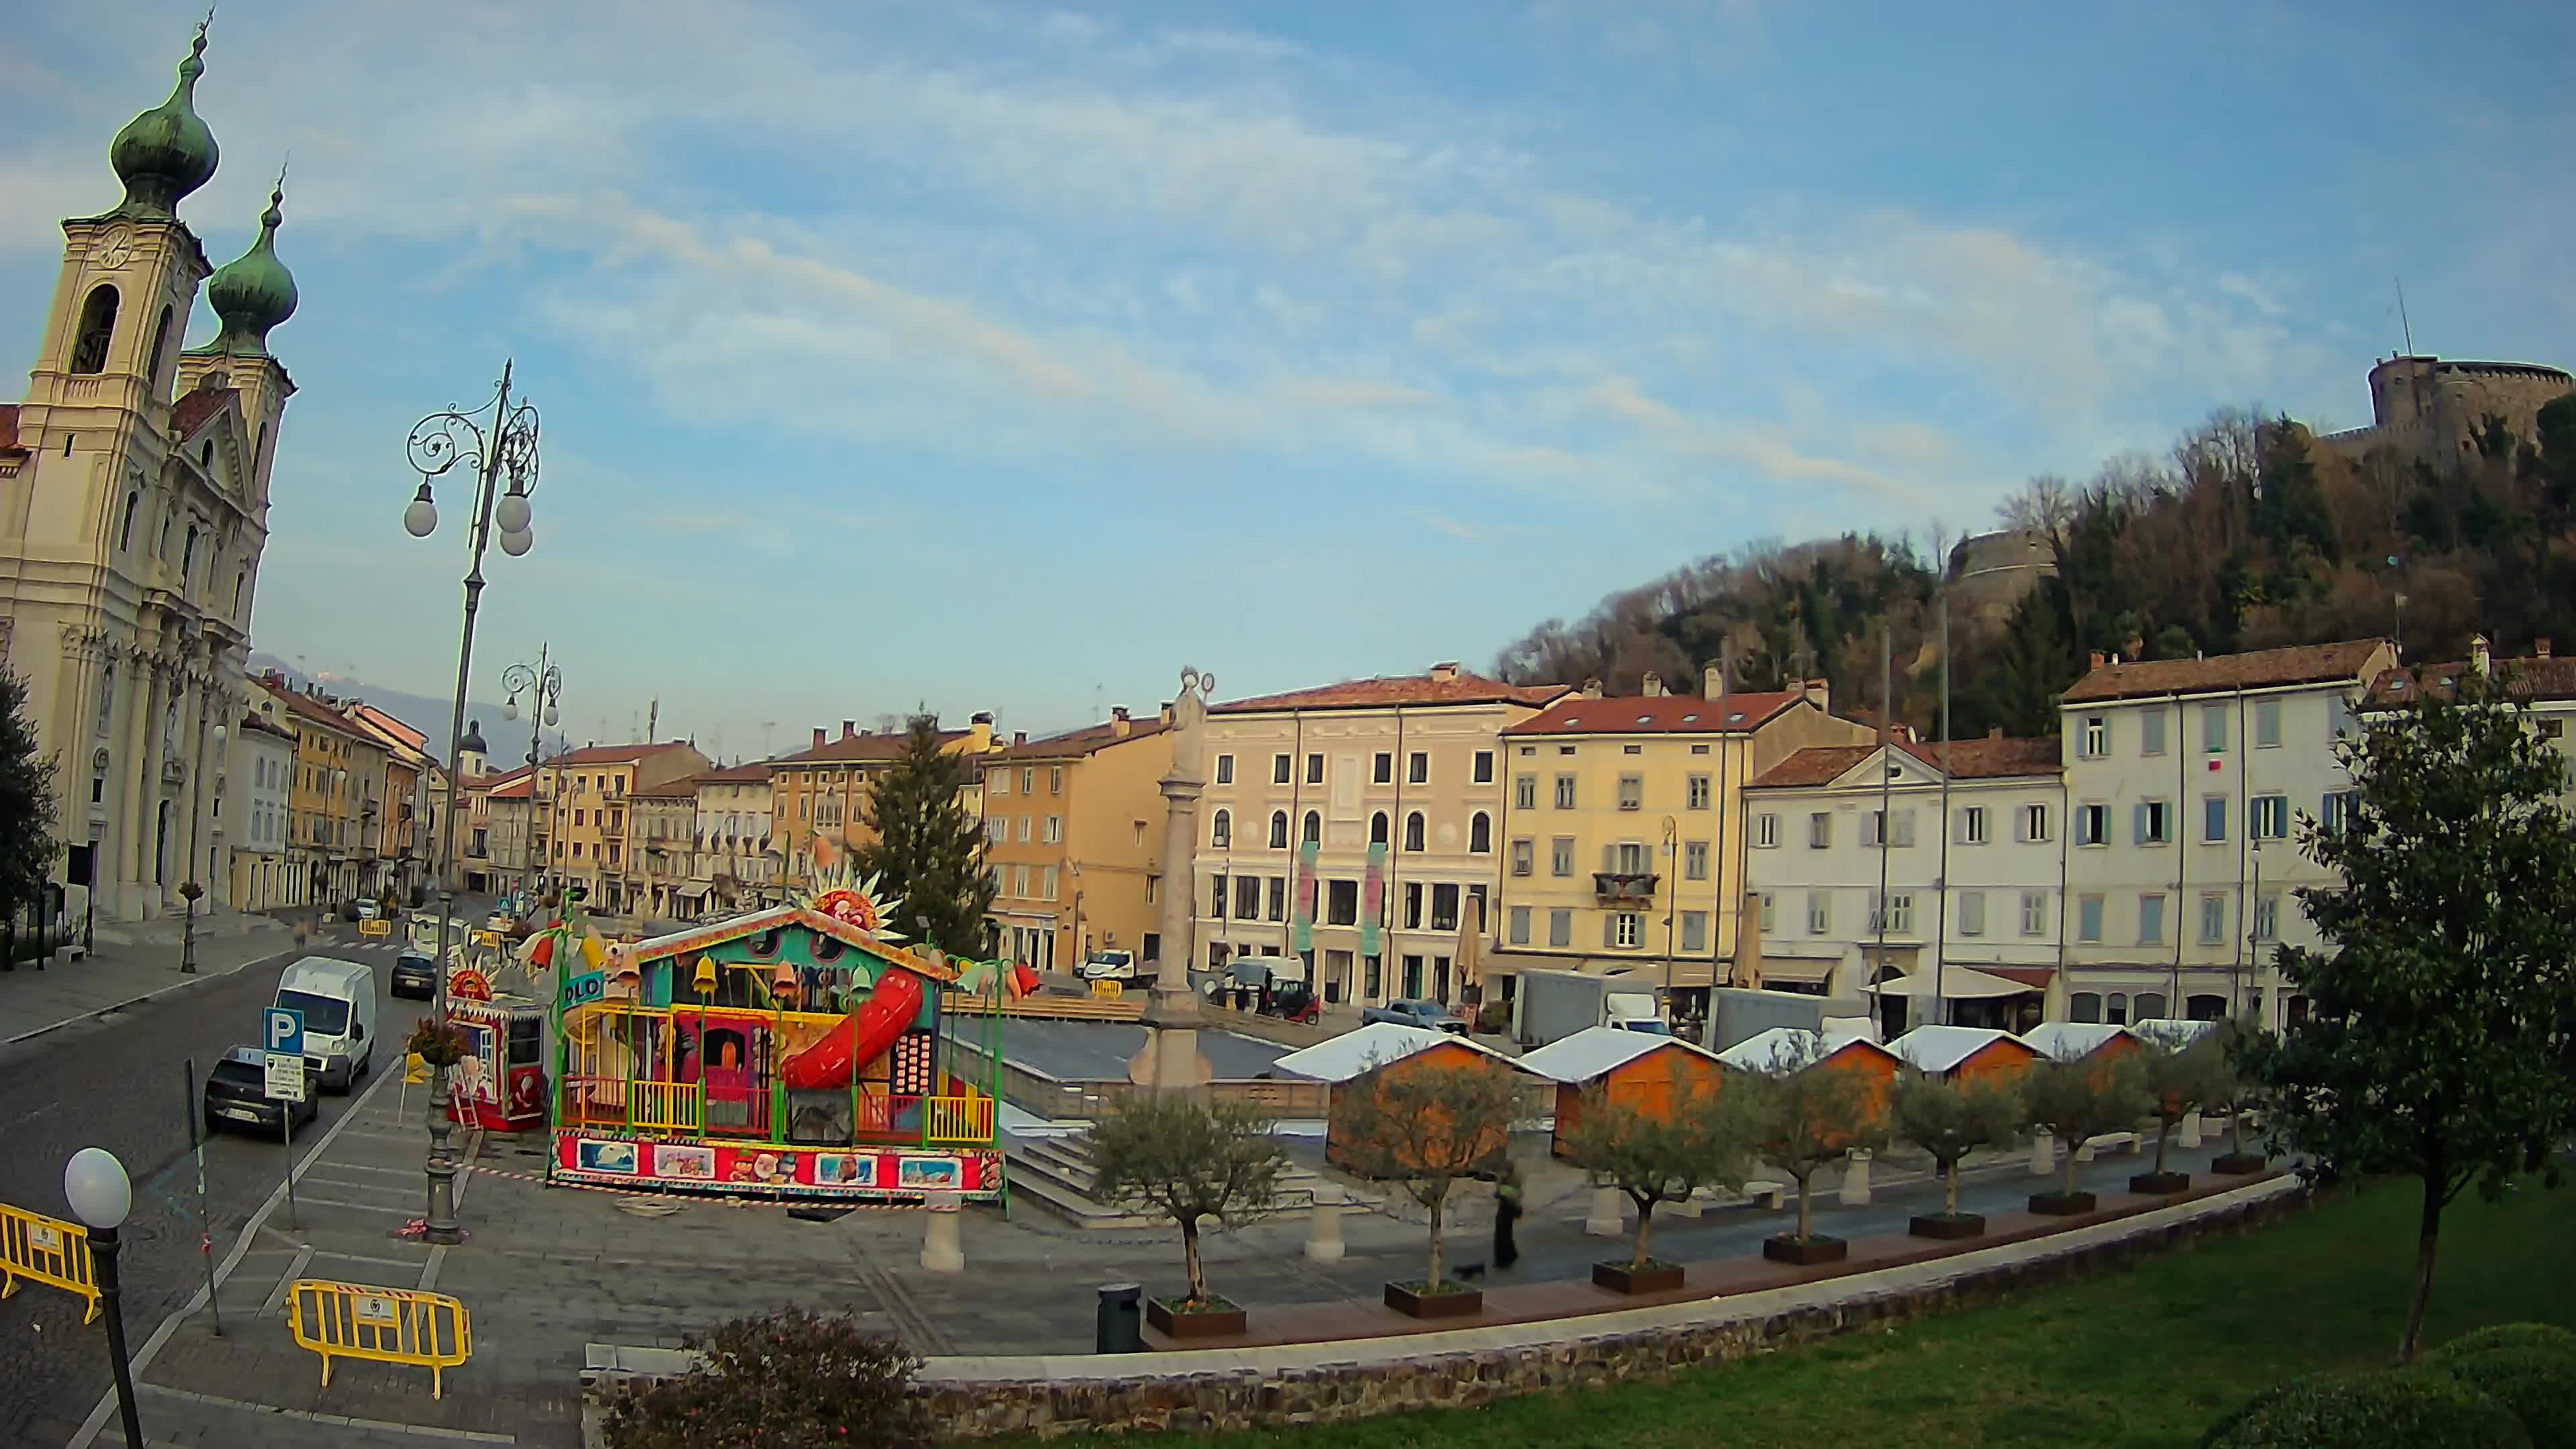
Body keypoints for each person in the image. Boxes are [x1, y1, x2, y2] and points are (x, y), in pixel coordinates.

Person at [1492, 1159, 1523, 1270]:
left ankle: (1506, 1259)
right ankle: (1504, 1258)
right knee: (1502, 1234)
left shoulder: (1514, 1181)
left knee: (1504, 1234)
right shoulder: (1503, 1180)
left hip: (1508, 1209)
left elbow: (1517, 1195)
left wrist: (1503, 1192)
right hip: (1504, 1208)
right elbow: (1497, 1194)